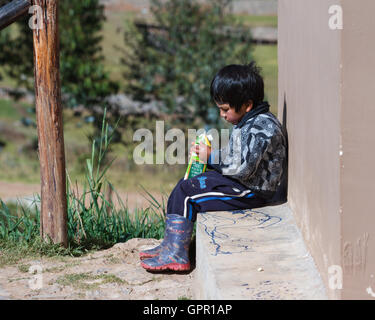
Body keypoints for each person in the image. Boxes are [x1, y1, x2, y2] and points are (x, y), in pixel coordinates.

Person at [140, 62, 287, 272]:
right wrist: (206, 156)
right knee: (185, 185)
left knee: (188, 196)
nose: (222, 115)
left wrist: (211, 157)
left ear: (246, 105)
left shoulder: (262, 127)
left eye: (225, 109)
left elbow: (242, 167)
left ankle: (176, 255)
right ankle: (170, 244)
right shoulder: (250, 121)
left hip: (252, 191)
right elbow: (235, 156)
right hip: (242, 183)